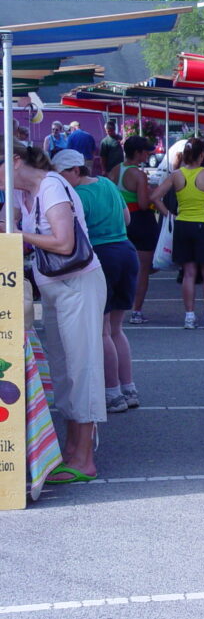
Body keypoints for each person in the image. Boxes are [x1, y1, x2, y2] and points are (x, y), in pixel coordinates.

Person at [0, 143, 105, 483]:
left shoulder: (50, 185)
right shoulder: (24, 193)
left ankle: (84, 458)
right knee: (63, 369)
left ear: (15, 160)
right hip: (55, 285)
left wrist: (15, 233)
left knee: (82, 366)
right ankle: (73, 450)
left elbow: (65, 243)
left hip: (78, 283)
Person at [53, 150, 140, 413]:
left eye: (62, 174)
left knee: (102, 331)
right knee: (116, 329)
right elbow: (127, 218)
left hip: (103, 257)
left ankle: (112, 393)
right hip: (126, 251)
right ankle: (128, 388)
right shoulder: (107, 184)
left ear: (76, 171)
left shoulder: (76, 195)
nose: (59, 180)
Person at [152, 137, 204, 329]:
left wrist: (169, 214)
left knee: (188, 273)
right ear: (202, 155)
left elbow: (155, 196)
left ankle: (189, 317)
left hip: (182, 224)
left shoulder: (176, 175)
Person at [109, 136, 159, 325]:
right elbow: (144, 204)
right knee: (143, 270)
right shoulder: (138, 174)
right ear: (137, 153)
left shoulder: (115, 170)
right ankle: (136, 310)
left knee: (121, 267)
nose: (147, 154)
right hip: (140, 221)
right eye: (145, 151)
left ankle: (116, 306)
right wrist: (153, 193)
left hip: (120, 221)